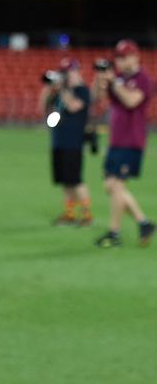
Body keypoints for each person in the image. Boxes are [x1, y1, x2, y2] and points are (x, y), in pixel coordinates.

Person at [92, 39, 154, 248]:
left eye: (124, 56)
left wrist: (115, 83)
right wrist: (100, 79)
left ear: (136, 57)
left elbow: (131, 101)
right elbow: (98, 99)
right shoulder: (116, 78)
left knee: (117, 184)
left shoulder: (144, 79)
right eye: (118, 57)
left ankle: (114, 232)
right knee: (110, 185)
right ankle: (143, 222)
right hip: (116, 140)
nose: (120, 61)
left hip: (131, 140)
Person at [39, 58, 93, 226]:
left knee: (75, 180)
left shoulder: (82, 90)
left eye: (67, 72)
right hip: (58, 140)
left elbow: (73, 106)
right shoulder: (59, 92)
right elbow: (42, 108)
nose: (65, 76)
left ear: (76, 71)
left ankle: (86, 214)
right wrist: (49, 87)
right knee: (65, 180)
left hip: (73, 142)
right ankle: (69, 214)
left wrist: (62, 88)